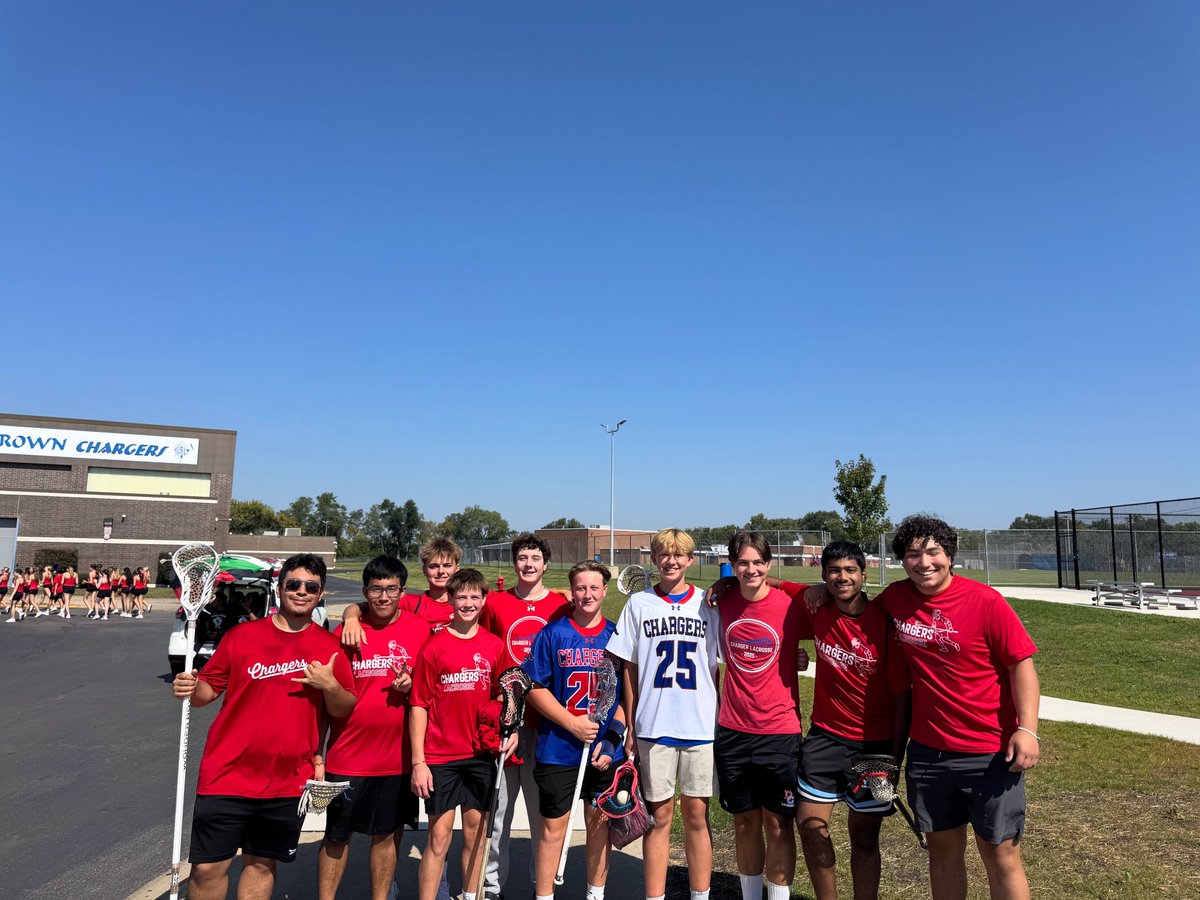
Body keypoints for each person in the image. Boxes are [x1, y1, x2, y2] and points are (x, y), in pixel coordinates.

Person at [171, 553, 355, 900]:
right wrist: (189, 687)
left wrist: (329, 685)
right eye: (294, 584)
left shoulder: (329, 648)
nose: (302, 592)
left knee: (260, 865)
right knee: (209, 867)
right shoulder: (242, 637)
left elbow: (344, 707)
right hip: (226, 773)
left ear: (320, 594)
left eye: (311, 587)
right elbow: (207, 691)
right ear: (280, 587)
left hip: (286, 780)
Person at [876, 516, 1039, 900]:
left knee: (1001, 856)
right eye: (913, 554)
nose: (924, 562)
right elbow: (846, 602)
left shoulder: (985, 601)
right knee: (942, 856)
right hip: (929, 755)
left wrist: (1027, 728)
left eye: (933, 551)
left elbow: (1021, 665)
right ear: (903, 560)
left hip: (989, 753)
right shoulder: (896, 600)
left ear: (950, 555)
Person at [783, 541, 908, 900]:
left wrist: (894, 761)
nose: (843, 577)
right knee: (810, 827)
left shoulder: (886, 624)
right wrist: (726, 582)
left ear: (864, 575)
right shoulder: (818, 607)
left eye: (850, 570)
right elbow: (769, 584)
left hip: (877, 748)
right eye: (834, 571)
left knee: (866, 837)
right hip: (823, 739)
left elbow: (903, 698)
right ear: (823, 576)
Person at [607, 528, 720, 900]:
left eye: (679, 555)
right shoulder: (639, 604)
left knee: (696, 818)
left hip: (700, 724)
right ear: (653, 559)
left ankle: (699, 895)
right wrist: (631, 721)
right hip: (653, 725)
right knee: (658, 819)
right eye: (663, 555)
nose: (671, 561)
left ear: (690, 560)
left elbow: (722, 663)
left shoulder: (709, 603)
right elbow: (630, 668)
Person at [318, 555, 432, 900]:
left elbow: (430, 688)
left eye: (391, 589)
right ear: (365, 591)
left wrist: (412, 684)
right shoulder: (346, 632)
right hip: (346, 756)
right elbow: (324, 698)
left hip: (396, 758)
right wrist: (317, 754)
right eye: (376, 590)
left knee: (386, 835)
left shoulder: (419, 629)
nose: (384, 597)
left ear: (402, 590)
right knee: (337, 837)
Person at [714, 531, 813, 900]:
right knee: (744, 823)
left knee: (778, 824)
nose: (750, 569)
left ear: (769, 566)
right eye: (742, 563)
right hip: (733, 730)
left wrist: (799, 658)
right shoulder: (721, 601)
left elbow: (826, 613)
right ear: (732, 565)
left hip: (779, 731)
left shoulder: (790, 606)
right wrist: (722, 583)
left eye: (758, 563)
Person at [523, 560, 626, 900]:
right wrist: (571, 722)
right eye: (581, 587)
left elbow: (626, 699)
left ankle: (595, 894)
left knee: (599, 825)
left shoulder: (616, 636)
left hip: (601, 751)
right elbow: (534, 686)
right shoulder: (553, 634)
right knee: (553, 827)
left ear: (605, 591)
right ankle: (544, 895)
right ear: (571, 591)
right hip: (559, 747)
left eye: (594, 587)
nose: (587, 594)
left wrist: (611, 743)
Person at [409, 567, 511, 900]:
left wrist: (505, 726)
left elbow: (504, 694)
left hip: (480, 756)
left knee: (476, 836)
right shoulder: (433, 647)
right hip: (441, 757)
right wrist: (418, 762)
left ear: (484, 600)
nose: (467, 603)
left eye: (474, 597)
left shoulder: (494, 646)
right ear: (450, 599)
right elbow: (419, 705)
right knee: (438, 838)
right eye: (461, 596)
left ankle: (470, 895)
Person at [478, 533, 570, 900]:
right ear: (514, 563)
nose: (528, 564)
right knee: (498, 814)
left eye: (535, 558)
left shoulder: (561, 605)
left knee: (541, 815)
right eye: (522, 558)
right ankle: (491, 886)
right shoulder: (497, 603)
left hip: (546, 726)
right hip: (505, 723)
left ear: (546, 564)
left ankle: (541, 885)